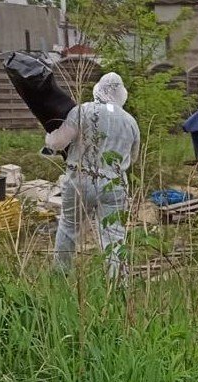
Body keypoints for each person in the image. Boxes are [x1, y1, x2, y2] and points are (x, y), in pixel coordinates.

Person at [45, 72, 140, 276]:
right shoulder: (130, 121)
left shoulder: (83, 111)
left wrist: (49, 135)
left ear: (98, 90)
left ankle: (61, 274)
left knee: (69, 226)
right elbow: (133, 157)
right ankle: (117, 282)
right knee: (114, 234)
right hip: (114, 185)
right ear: (121, 94)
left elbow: (57, 143)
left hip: (80, 179)